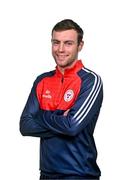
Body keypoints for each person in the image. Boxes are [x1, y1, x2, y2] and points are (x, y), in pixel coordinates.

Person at [20, 19, 103, 180]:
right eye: (56, 42)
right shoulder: (42, 81)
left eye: (68, 43)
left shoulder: (90, 80)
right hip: (46, 174)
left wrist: (41, 115)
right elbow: (25, 125)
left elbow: (72, 126)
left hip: (79, 174)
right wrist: (60, 118)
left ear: (80, 45)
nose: (60, 49)